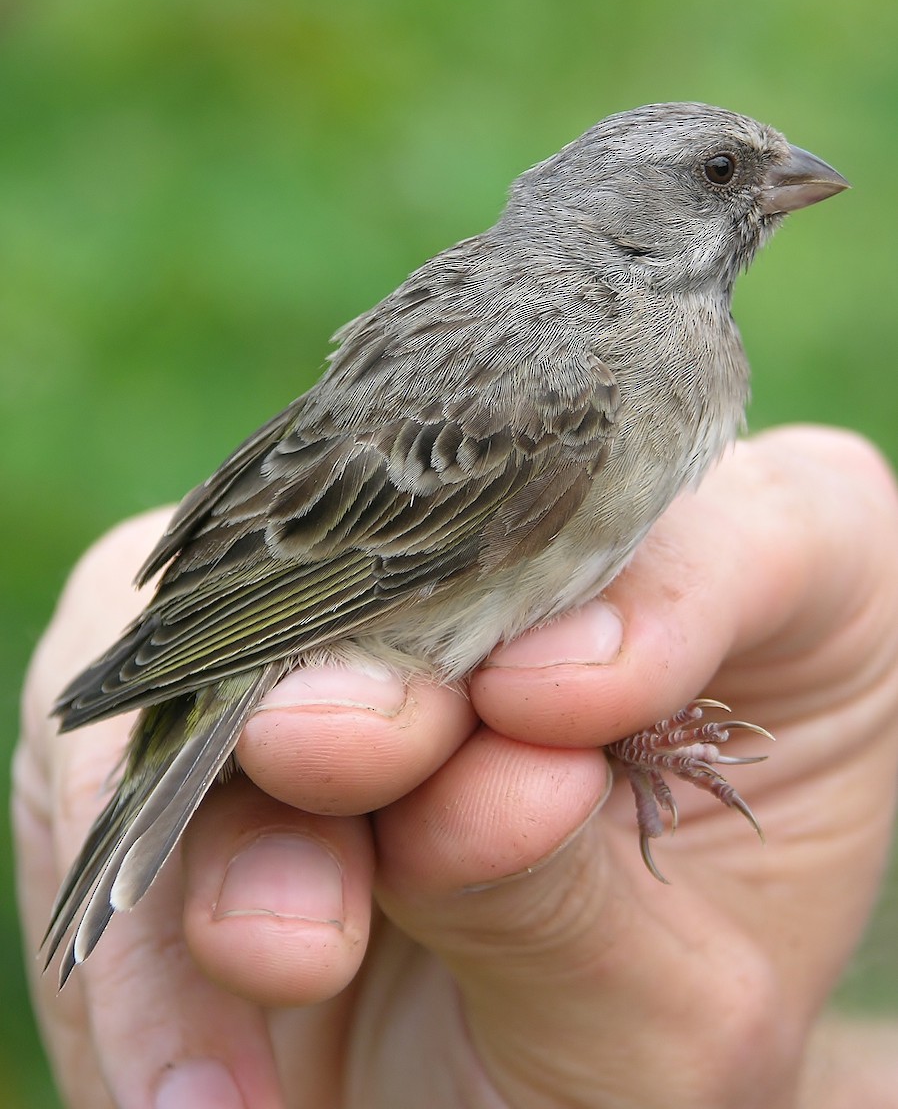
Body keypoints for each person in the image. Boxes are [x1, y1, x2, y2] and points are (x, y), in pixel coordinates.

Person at [14, 426, 898, 1109]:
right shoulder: (572, 380)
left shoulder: (614, 353)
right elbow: (398, 581)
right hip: (295, 605)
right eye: (718, 175)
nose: (793, 179)